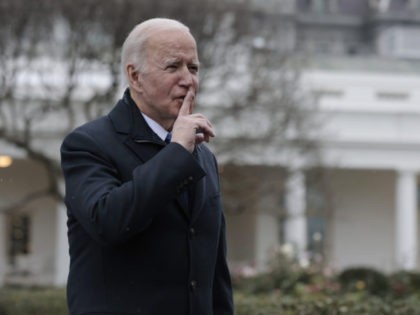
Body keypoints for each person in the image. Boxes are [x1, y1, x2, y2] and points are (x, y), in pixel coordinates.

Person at [60, 18, 234, 315]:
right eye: (172, 67)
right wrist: (177, 152)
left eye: (193, 68)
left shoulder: (203, 155)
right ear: (135, 76)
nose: (188, 79)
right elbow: (109, 222)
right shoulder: (88, 144)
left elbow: (214, 272)